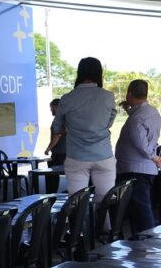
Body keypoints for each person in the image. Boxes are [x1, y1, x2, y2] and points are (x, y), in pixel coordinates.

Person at [47, 57, 117, 207]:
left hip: (76, 156)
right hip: (103, 155)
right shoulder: (108, 96)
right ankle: (104, 222)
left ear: (79, 73)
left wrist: (70, 126)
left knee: (77, 203)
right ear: (99, 73)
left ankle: (80, 223)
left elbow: (57, 127)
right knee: (105, 201)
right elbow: (109, 122)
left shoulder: (67, 98)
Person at [115, 79, 161, 233]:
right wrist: (128, 109)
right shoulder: (152, 112)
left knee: (141, 210)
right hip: (142, 169)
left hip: (135, 169)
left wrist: (154, 157)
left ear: (129, 94)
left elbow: (140, 142)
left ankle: (149, 241)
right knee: (138, 209)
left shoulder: (137, 118)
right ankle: (141, 240)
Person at [44, 98, 65, 193]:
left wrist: (48, 148)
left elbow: (57, 135)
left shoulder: (59, 120)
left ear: (57, 107)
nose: (50, 110)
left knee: (51, 175)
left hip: (60, 153)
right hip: (63, 152)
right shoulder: (66, 119)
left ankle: (50, 195)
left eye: (51, 107)